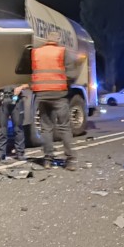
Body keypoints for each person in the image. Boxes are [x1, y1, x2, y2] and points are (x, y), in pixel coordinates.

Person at [30, 38, 78, 170]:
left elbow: (29, 72)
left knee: (46, 128)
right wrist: (65, 85)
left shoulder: (36, 52)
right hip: (59, 94)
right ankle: (71, 161)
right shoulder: (62, 51)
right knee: (64, 127)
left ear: (46, 41)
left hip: (42, 94)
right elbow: (72, 74)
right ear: (56, 40)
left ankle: (48, 160)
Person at [0, 84, 27, 161]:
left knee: (18, 128)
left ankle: (20, 153)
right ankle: (1, 154)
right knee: (2, 128)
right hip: (2, 100)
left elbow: (29, 83)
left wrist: (21, 87)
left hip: (17, 99)